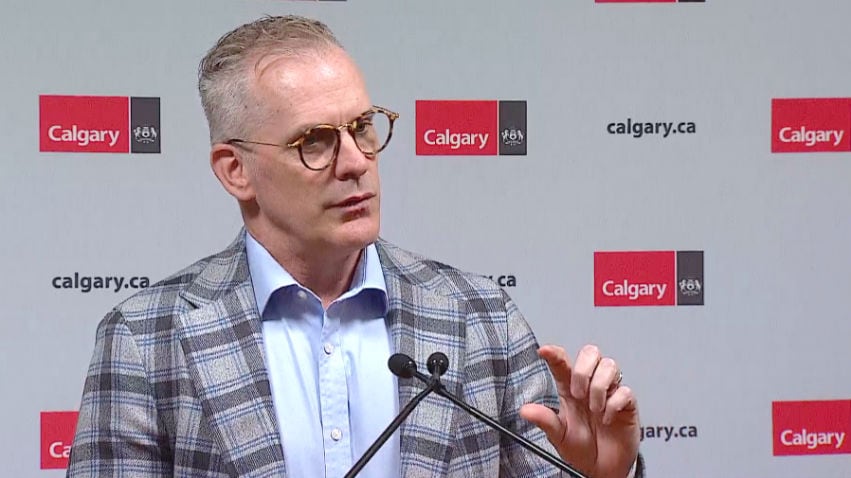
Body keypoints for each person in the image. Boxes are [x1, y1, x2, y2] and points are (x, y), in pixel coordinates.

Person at [68, 15, 642, 478]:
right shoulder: (145, 339)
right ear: (235, 170)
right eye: (313, 142)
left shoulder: (479, 316)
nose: (355, 162)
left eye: (363, 127)